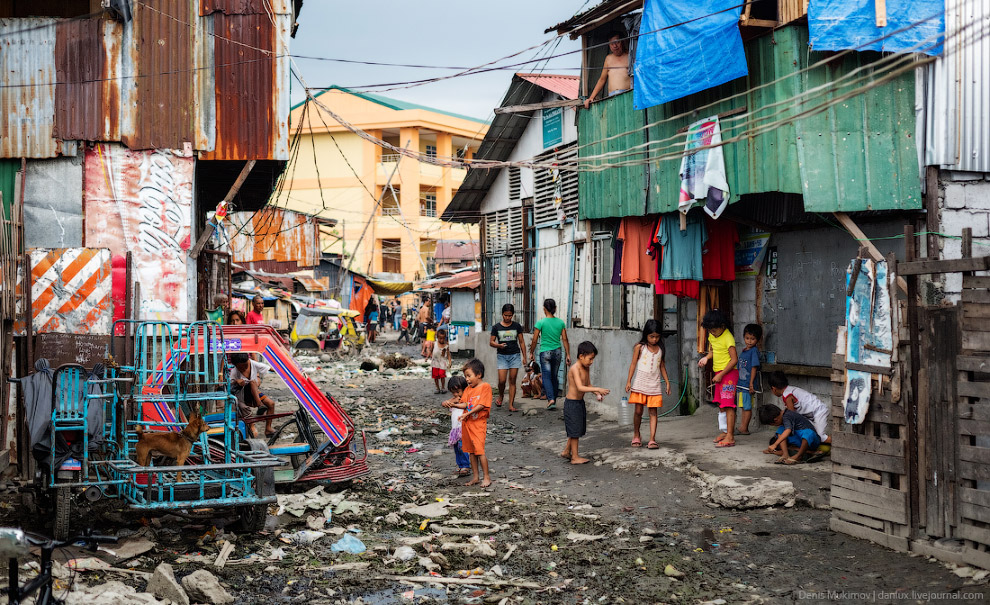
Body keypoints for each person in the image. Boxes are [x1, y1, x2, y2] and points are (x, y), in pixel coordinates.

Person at [444, 359, 492, 487]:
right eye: (466, 376)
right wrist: (453, 404)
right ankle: (475, 477)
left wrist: (467, 413)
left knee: (479, 451)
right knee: (471, 452)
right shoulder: (468, 390)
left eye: (469, 376)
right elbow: (465, 403)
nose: (467, 380)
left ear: (479, 374)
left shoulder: (485, 387)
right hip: (467, 425)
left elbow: (482, 405)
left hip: (478, 424)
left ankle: (486, 477)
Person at [624, 319, 671, 449]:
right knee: (638, 411)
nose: (654, 339)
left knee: (653, 412)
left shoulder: (661, 349)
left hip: (654, 384)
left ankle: (652, 439)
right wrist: (629, 381)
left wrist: (667, 382)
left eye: (657, 336)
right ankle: (636, 434)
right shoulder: (640, 348)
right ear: (646, 335)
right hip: (640, 383)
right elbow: (633, 364)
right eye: (651, 336)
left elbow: (662, 366)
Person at [562, 341, 609, 465]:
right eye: (590, 359)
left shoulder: (586, 368)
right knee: (574, 430)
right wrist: (597, 389)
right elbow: (580, 387)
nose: (592, 362)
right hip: (571, 403)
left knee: (576, 428)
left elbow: (588, 384)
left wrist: (597, 394)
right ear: (581, 356)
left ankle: (567, 451)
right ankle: (575, 457)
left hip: (579, 403)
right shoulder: (575, 368)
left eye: (593, 359)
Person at [698, 309, 738, 447]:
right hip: (718, 373)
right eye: (710, 330)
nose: (712, 333)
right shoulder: (712, 336)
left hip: (729, 373)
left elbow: (734, 360)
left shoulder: (728, 338)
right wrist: (706, 358)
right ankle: (725, 432)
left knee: (728, 405)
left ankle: (731, 437)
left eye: (714, 330)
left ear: (722, 326)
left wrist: (721, 374)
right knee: (721, 404)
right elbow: (713, 351)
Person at [767, 371, 831, 445]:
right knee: (813, 432)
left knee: (821, 437)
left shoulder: (787, 396)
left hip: (818, 411)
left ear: (774, 388)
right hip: (814, 412)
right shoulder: (790, 389)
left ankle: (839, 445)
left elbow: (792, 415)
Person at [529, 298, 570, 411]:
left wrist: (531, 352)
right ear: (555, 309)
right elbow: (565, 339)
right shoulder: (560, 322)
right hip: (557, 351)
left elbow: (534, 339)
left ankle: (550, 399)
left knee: (546, 376)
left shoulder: (541, 322)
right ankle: (554, 400)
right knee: (554, 376)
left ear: (544, 309)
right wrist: (568, 354)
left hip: (545, 352)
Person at [490, 303, 527, 412]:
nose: (507, 317)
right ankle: (501, 395)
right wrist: (498, 345)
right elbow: (491, 342)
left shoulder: (516, 326)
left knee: (512, 380)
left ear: (512, 315)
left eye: (510, 315)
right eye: (506, 315)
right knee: (502, 380)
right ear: (502, 314)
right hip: (502, 356)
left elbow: (521, 342)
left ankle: (511, 404)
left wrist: (524, 357)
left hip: (514, 355)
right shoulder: (496, 327)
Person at [229, 352, 276, 438]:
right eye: (240, 367)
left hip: (254, 394)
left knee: (271, 404)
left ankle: (268, 428)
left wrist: (283, 372)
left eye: (245, 365)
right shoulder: (234, 371)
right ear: (236, 365)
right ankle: (259, 405)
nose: (243, 368)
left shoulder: (253, 364)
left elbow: (269, 368)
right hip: (242, 396)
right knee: (252, 383)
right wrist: (236, 382)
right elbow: (229, 385)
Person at [583, 31, 633, 109]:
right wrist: (591, 98)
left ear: (623, 41)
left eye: (617, 42)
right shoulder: (608, 59)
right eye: (612, 44)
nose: (615, 46)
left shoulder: (630, 56)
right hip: (612, 98)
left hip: (627, 95)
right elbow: (602, 79)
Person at [736, 324, 763, 436]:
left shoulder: (754, 351)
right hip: (741, 384)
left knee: (747, 406)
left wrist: (751, 384)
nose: (749, 341)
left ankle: (744, 428)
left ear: (757, 340)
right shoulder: (744, 351)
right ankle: (742, 426)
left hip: (748, 384)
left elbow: (754, 367)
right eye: (747, 338)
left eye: (753, 339)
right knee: (743, 406)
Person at [442, 375, 471, 477]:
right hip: (455, 428)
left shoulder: (465, 399)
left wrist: (454, 403)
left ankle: (466, 466)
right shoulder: (454, 399)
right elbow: (444, 403)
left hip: (462, 428)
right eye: (453, 392)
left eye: (458, 392)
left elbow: (465, 405)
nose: (455, 394)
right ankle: (460, 465)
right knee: (457, 448)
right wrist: (447, 402)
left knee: (463, 447)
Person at [432, 329, 451, 394]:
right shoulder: (434, 343)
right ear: (437, 338)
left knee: (442, 375)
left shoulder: (446, 345)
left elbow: (448, 354)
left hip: (442, 362)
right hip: (435, 362)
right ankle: (437, 388)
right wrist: (427, 357)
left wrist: (450, 362)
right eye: (440, 338)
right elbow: (432, 350)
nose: (442, 340)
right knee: (435, 376)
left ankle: (443, 387)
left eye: (443, 338)